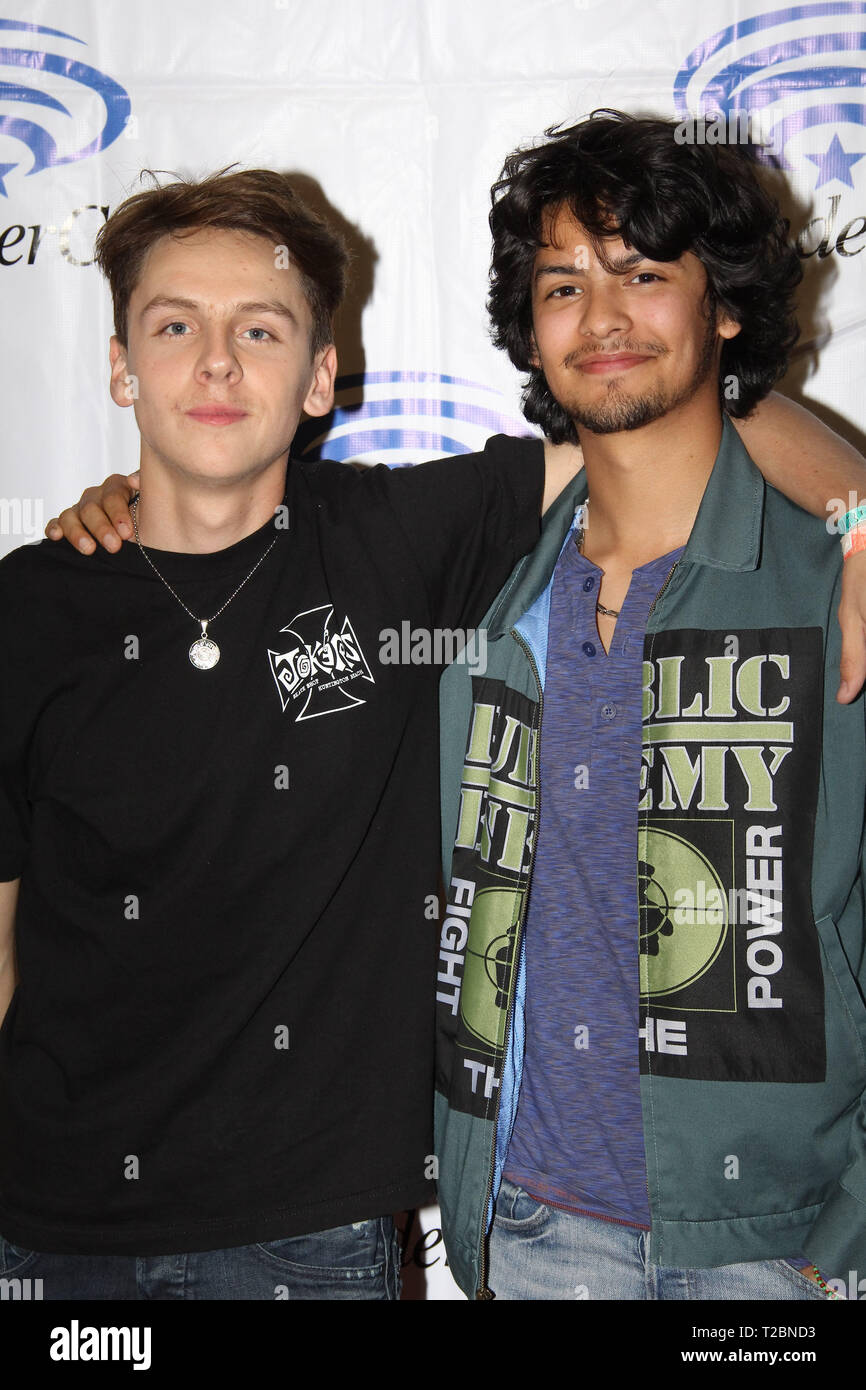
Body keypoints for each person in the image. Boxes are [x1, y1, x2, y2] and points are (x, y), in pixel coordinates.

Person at [28, 156, 866, 1301]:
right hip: (76, 1229)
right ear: (120, 365)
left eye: (261, 330)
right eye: (175, 326)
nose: (216, 361)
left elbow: (681, 398)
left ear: (322, 375)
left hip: (336, 1238)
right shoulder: (38, 603)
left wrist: (863, 517)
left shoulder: (406, 541)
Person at [434, 109, 866, 1301]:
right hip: (533, 1233)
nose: (603, 317)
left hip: (775, 1248)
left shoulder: (834, 588)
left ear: (722, 306)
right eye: (563, 284)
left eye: (642, 273)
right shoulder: (480, 591)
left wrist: (840, 1243)